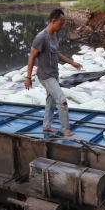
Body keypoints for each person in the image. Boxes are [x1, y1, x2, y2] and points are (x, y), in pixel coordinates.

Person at [25, 9, 82, 137]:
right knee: (62, 100)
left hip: (54, 74)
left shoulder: (54, 35)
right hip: (45, 75)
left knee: (50, 101)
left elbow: (57, 53)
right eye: (60, 24)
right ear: (53, 21)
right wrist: (28, 77)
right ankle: (65, 129)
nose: (61, 27)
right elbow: (31, 57)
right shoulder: (41, 37)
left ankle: (46, 126)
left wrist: (72, 62)